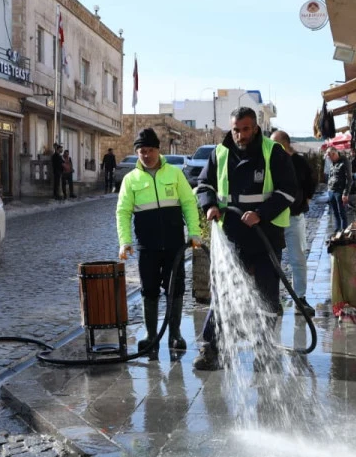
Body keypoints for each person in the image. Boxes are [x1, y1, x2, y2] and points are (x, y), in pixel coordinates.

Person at [192, 107, 298, 371]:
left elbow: (289, 191)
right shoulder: (220, 153)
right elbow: (204, 185)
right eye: (236, 129)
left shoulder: (272, 152)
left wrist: (261, 214)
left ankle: (265, 349)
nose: (240, 135)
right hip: (231, 236)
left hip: (265, 236)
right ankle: (211, 348)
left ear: (255, 128)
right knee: (223, 293)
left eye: (246, 129)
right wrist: (209, 206)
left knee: (267, 295)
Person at [117, 128, 201, 353]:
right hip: (148, 245)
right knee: (149, 289)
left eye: (150, 150)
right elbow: (123, 212)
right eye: (142, 151)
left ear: (158, 150)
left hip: (174, 244)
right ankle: (151, 335)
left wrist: (194, 232)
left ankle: (175, 334)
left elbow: (188, 203)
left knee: (175, 288)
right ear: (137, 153)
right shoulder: (131, 179)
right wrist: (125, 241)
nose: (147, 155)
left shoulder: (174, 174)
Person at [272, 130, 316, 317]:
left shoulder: (298, 162)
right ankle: (274, 298)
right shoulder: (270, 162)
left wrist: (305, 200)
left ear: (284, 144)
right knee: (273, 260)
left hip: (293, 217)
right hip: (273, 218)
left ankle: (300, 298)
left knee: (297, 258)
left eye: (275, 143)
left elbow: (311, 182)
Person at [326, 148, 353, 234]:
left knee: (342, 213)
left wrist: (345, 193)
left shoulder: (344, 162)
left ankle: (344, 231)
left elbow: (349, 179)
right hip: (331, 191)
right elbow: (331, 176)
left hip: (340, 191)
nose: (329, 158)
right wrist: (328, 189)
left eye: (329, 156)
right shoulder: (332, 163)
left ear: (334, 154)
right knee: (335, 212)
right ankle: (338, 229)